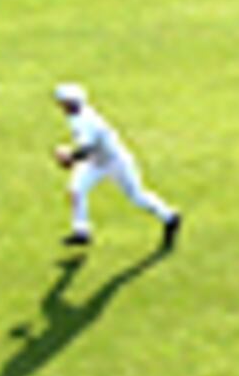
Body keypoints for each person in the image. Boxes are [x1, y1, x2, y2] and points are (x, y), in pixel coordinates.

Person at [50, 83, 179, 251]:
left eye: (63, 102)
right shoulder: (76, 115)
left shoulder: (86, 120)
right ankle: (81, 232)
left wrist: (69, 157)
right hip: (96, 162)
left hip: (116, 162)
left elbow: (86, 150)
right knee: (76, 190)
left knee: (137, 196)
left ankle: (170, 217)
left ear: (72, 102)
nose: (61, 106)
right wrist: (73, 158)